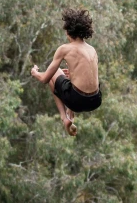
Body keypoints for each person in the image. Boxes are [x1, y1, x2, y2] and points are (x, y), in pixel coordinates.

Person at [31, 8, 102, 136]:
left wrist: (35, 72)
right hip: (96, 100)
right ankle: (70, 111)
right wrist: (73, 74)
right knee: (68, 77)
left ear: (69, 31)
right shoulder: (92, 50)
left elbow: (45, 79)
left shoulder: (65, 49)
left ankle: (65, 118)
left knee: (54, 72)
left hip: (77, 100)